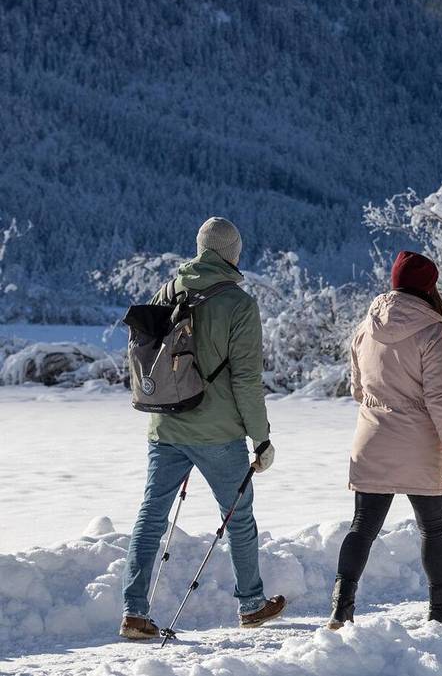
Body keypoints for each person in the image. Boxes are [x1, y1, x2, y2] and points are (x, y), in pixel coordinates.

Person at [120, 217, 286, 640]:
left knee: (151, 516)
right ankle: (251, 604)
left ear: (200, 249)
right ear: (233, 254)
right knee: (237, 517)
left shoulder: (167, 291)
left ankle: (134, 612)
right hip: (217, 432)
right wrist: (261, 438)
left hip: (165, 424)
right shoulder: (239, 304)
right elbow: (246, 379)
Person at [328, 250, 442, 630]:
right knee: (434, 529)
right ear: (429, 287)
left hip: (372, 438)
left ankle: (342, 607)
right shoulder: (432, 330)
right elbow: (438, 397)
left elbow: (358, 390)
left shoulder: (366, 326)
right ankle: (441, 606)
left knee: (362, 526)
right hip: (420, 443)